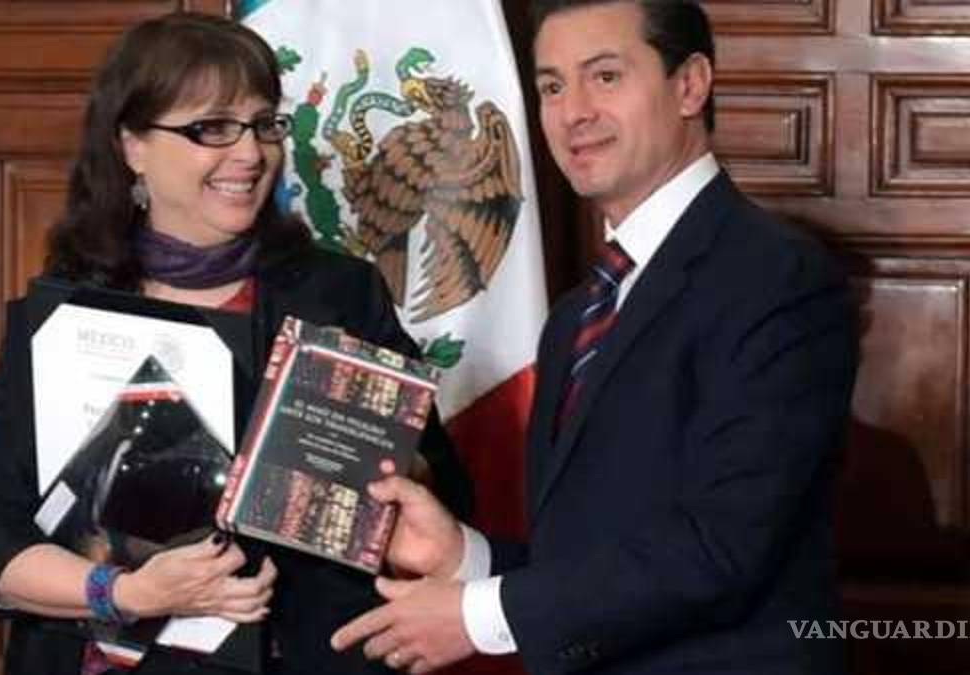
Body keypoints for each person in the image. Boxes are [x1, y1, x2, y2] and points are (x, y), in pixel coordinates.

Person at [330, 1, 858, 673]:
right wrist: (465, 558)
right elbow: (588, 558)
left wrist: (478, 615)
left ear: (690, 85)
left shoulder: (777, 277)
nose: (572, 112)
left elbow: (722, 548)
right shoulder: (576, 314)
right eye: (552, 86)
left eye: (605, 76)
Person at [0, 11, 471, 675]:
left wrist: (374, 446)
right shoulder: (64, 314)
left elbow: (443, 492)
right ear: (132, 146)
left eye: (263, 123)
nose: (251, 154)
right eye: (212, 128)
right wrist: (127, 593)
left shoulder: (341, 293)